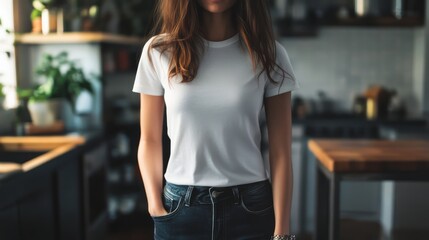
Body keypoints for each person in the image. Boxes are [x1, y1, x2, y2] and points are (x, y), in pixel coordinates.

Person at [132, 0, 300, 239]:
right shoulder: (158, 51)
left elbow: (281, 150)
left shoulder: (270, 54)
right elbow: (149, 139)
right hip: (179, 209)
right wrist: (154, 205)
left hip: (250, 208)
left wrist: (282, 232)